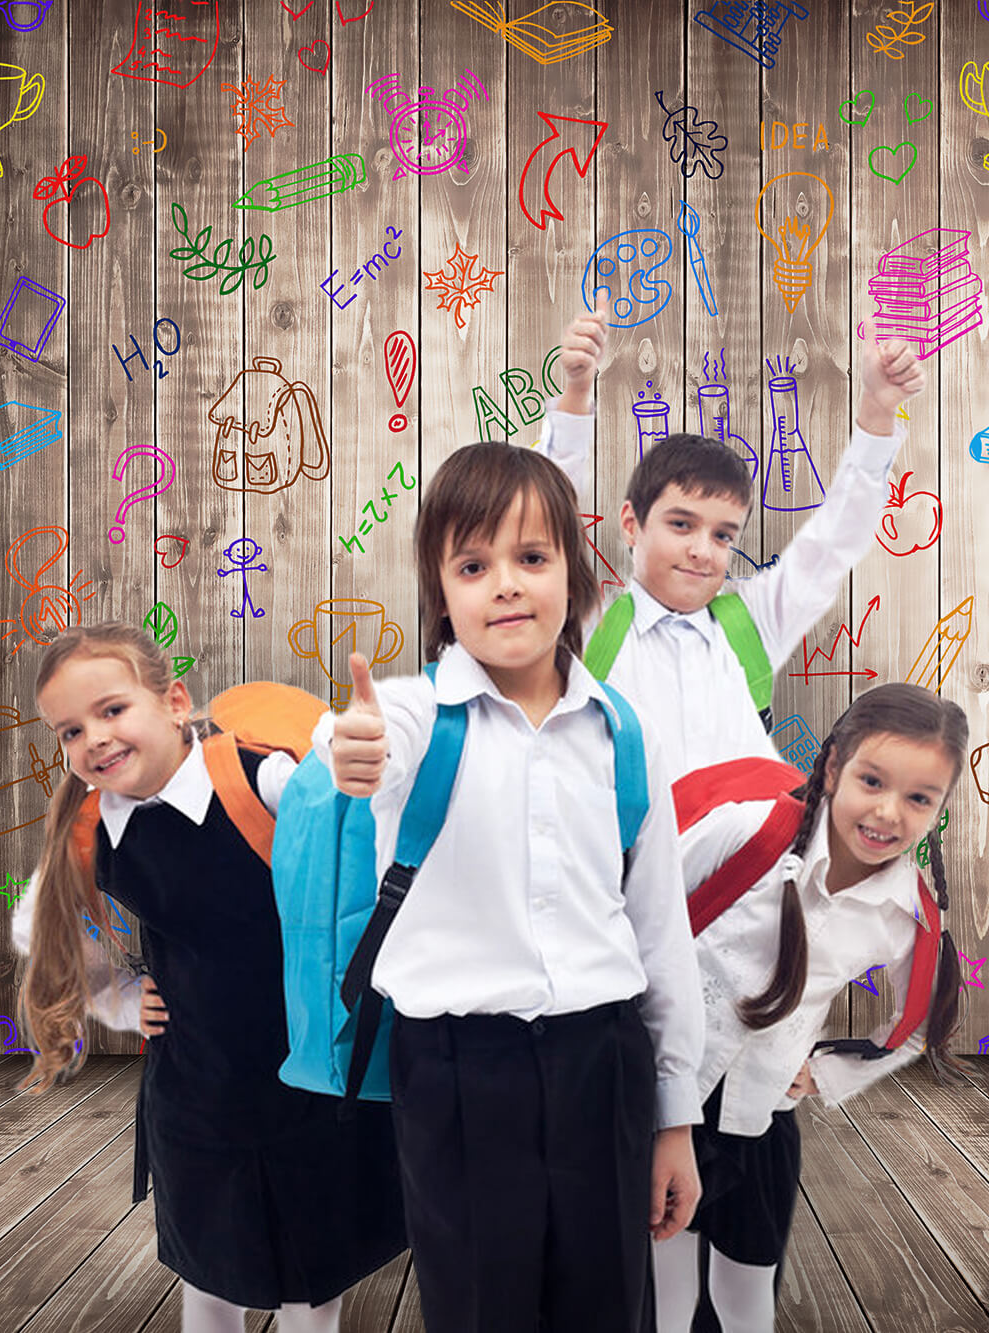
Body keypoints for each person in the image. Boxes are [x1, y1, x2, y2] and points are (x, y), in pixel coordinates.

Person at [320, 441, 704, 1333]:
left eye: (532, 558)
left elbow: (659, 935)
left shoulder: (621, 734)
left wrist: (675, 1118)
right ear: (441, 592)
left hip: (604, 1065)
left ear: (576, 574)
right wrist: (350, 747)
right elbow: (357, 743)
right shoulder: (414, 717)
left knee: (610, 1302)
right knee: (478, 1306)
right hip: (457, 1072)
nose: (506, 584)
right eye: (473, 563)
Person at [12, 623, 406, 1333]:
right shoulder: (93, 827)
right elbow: (40, 931)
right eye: (70, 730)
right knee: (207, 1267)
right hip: (195, 1091)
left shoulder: (260, 777)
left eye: (111, 710)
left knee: (312, 1277)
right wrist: (125, 1000)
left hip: (305, 1079)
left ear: (173, 701)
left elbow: (354, 822)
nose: (92, 739)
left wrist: (355, 757)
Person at [654, 682, 968, 1333]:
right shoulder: (746, 831)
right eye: (872, 780)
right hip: (666, 1104)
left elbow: (915, 1027)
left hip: (759, 1119)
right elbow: (641, 921)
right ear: (832, 768)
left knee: (748, 1287)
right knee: (666, 1282)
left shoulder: (908, 913)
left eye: (918, 797)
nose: (888, 812)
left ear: (939, 807)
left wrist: (824, 1072)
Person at [540, 303, 926, 778]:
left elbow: (833, 542)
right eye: (681, 525)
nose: (702, 550)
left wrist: (877, 410)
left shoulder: (757, 619)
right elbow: (541, 527)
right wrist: (577, 392)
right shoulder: (590, 626)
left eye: (722, 534)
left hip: (743, 850)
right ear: (631, 524)